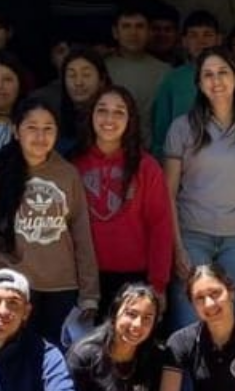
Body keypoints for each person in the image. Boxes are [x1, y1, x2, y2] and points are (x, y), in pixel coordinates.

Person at [0, 100, 99, 343]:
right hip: (15, 284)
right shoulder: (0, 173)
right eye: (32, 128)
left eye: (48, 128)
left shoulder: (68, 173)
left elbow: (81, 233)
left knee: (54, 360)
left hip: (61, 286)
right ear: (16, 131)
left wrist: (90, 292)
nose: (41, 136)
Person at [161, 50, 235, 330]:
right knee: (189, 326)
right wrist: (177, 246)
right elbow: (167, 193)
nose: (216, 80)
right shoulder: (181, 128)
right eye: (208, 74)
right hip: (192, 235)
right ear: (198, 83)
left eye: (222, 72)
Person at [72, 85, 173, 307]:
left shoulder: (147, 167)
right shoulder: (73, 164)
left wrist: (158, 284)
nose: (110, 118)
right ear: (91, 115)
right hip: (84, 278)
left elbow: (160, 227)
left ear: (130, 120)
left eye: (119, 111)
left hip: (135, 279)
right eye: (102, 110)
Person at [147, 9, 223, 147]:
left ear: (219, 39)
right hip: (180, 158)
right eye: (193, 35)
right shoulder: (172, 79)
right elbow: (161, 129)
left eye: (208, 35)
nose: (201, 41)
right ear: (184, 41)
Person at [103, 2, 169, 145]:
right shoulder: (101, 68)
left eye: (139, 26)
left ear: (149, 32)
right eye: (126, 26)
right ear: (115, 32)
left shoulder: (165, 72)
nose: (133, 33)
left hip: (151, 154)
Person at [52, 49, 107, 157]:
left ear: (102, 80)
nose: (78, 82)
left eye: (86, 75)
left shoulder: (113, 119)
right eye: (72, 76)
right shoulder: (53, 120)